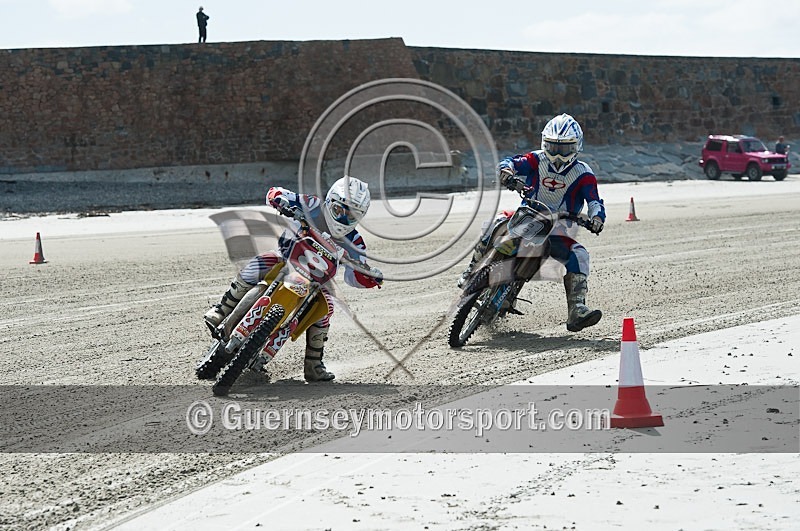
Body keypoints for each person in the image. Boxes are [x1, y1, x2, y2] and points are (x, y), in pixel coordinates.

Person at [203, 176, 383, 382]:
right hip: (285, 260)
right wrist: (280, 200)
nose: (343, 218)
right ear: (330, 201)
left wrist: (369, 277)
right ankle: (221, 309)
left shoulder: (356, 242)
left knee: (326, 309)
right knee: (259, 264)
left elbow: (354, 276)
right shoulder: (313, 205)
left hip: (317, 282)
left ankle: (314, 363)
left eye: (351, 215)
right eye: (340, 210)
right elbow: (277, 192)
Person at [458, 113, 606, 332]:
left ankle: (577, 309)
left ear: (576, 147)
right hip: (527, 215)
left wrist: (596, 218)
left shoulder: (584, 174)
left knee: (580, 255)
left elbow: (595, 201)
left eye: (563, 149)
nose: (556, 154)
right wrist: (506, 173)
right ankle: (471, 271)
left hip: (559, 228)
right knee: (494, 222)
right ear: (544, 143)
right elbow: (510, 162)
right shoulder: (536, 159)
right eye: (552, 147)